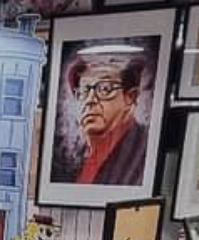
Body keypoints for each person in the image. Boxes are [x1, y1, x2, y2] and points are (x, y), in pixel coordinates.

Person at [55, 54, 150, 185]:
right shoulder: (75, 159)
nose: (89, 100)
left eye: (105, 89)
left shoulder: (144, 151)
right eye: (83, 91)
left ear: (130, 97)